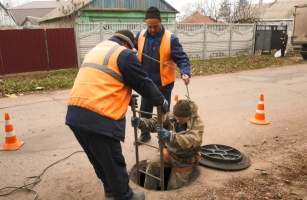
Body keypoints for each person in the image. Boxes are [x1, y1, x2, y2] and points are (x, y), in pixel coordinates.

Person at [65, 30, 168, 200]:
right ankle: (125, 196)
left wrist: (125, 95)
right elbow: (142, 82)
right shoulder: (124, 53)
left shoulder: (97, 49)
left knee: (98, 159)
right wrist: (161, 101)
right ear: (128, 43)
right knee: (113, 160)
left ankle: (110, 189)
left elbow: (102, 81)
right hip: (99, 116)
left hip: (75, 113)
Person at [134, 6, 192, 144]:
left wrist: (185, 72)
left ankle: (163, 137)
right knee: (145, 110)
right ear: (146, 24)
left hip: (164, 83)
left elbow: (182, 58)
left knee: (163, 113)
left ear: (161, 22)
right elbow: (132, 48)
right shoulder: (140, 36)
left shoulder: (171, 38)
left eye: (155, 26)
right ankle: (145, 134)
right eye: (150, 27)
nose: (152, 29)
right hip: (147, 83)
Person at [131, 99, 204, 190]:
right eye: (176, 117)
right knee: (153, 164)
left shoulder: (198, 124)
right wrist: (141, 122)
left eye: (179, 119)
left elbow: (191, 141)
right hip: (170, 153)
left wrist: (170, 136)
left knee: (173, 188)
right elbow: (156, 122)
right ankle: (149, 192)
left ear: (188, 116)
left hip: (184, 160)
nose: (177, 121)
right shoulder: (172, 115)